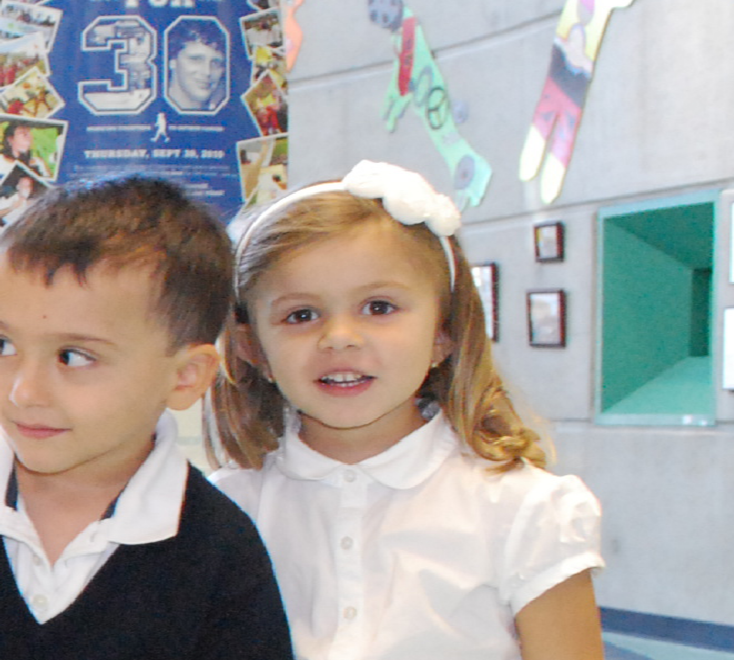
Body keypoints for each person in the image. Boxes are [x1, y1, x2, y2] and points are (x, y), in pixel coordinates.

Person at [207, 160, 606, 659]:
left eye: (379, 307)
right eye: (301, 315)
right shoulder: (223, 513)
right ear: (253, 349)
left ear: (444, 332)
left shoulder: (522, 510)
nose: (340, 338)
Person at [0, 176, 290, 658]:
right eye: (3, 345)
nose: (25, 390)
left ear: (186, 377)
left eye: (73, 356)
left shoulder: (219, 548)